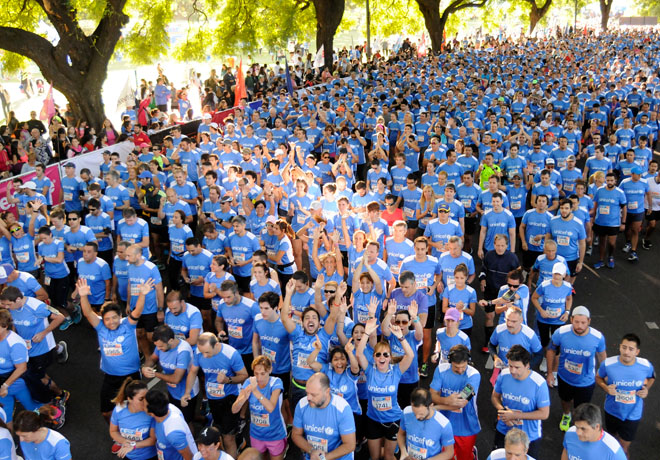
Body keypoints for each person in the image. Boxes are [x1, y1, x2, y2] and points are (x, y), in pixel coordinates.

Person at [76, 276, 152, 422]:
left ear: (121, 316)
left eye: (114, 317)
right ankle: (118, 433)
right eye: (107, 319)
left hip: (131, 376)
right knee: (106, 412)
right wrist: (83, 295)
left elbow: (138, 310)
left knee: (140, 407)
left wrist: (142, 294)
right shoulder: (100, 327)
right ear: (102, 319)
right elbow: (87, 313)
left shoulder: (128, 325)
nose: (111, 322)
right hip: (111, 377)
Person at [182, 332, 248, 459]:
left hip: (229, 398)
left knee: (228, 438)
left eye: (207, 352)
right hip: (213, 399)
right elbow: (193, 372)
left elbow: (244, 376)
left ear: (216, 344)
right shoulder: (199, 353)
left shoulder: (231, 354)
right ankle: (239, 440)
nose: (204, 356)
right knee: (220, 436)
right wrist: (187, 392)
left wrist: (228, 380)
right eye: (202, 352)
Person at [356, 317, 414, 460]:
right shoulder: (370, 370)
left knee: (389, 456)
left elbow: (410, 355)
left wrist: (400, 337)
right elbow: (359, 353)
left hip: (393, 420)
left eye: (385, 354)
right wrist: (366, 334)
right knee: (374, 457)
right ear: (374, 357)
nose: (382, 357)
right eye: (378, 354)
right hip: (373, 420)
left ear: (390, 357)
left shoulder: (396, 371)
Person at [547, 306, 607, 431]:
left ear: (589, 321)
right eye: (577, 322)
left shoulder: (597, 337)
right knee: (565, 399)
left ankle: (577, 422)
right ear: (571, 319)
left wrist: (605, 375)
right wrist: (550, 373)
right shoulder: (561, 333)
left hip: (586, 381)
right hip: (564, 377)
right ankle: (566, 415)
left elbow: (602, 356)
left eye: (583, 322)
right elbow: (551, 350)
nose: (579, 325)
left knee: (582, 406)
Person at [596, 333, 655, 455]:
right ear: (620, 347)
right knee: (611, 443)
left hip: (632, 414)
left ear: (637, 352)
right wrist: (606, 388)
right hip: (612, 411)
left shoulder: (645, 365)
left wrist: (646, 389)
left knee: (623, 449)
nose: (626, 352)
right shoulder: (608, 364)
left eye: (631, 349)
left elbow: (652, 377)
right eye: (624, 347)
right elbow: (598, 378)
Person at [491, 345, 550, 459]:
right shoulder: (504, 374)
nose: (512, 370)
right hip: (503, 430)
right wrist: (503, 412)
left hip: (529, 436)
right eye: (510, 366)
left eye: (517, 367)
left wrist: (515, 416)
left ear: (527, 365)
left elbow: (544, 413)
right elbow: (494, 397)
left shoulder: (539, 383)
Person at [430, 345, 481, 460]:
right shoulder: (441, 369)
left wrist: (438, 406)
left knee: (464, 457)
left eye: (463, 367)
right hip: (443, 423)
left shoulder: (474, 375)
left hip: (466, 425)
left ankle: (471, 453)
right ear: (450, 362)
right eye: (456, 367)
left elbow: (461, 402)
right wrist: (446, 400)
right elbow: (432, 394)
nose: (460, 370)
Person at [231, 355, 287, 460]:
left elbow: (270, 408)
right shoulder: (249, 382)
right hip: (256, 435)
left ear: (270, 370)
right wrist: (243, 398)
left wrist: (255, 391)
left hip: (275, 434)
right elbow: (234, 409)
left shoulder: (276, 382)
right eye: (256, 373)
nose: (259, 378)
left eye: (263, 374)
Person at [291, 372, 356, 460]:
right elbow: (296, 434)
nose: (308, 398)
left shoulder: (342, 408)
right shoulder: (302, 404)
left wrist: (324, 458)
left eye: (313, 394)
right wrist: (312, 451)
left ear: (327, 392)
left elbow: (350, 445)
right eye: (307, 393)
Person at [143, 325, 200, 424]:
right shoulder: (161, 344)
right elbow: (153, 358)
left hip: (187, 392)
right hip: (172, 390)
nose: (158, 348)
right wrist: (146, 367)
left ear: (171, 341)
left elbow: (176, 379)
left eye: (160, 346)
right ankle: (201, 419)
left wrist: (154, 374)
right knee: (176, 417)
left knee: (186, 422)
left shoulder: (183, 351)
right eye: (157, 346)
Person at [479, 234, 520, 352]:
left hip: (506, 292)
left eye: (502, 245)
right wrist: (482, 280)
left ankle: (507, 344)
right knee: (489, 316)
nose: (500, 248)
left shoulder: (513, 258)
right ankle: (488, 342)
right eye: (498, 245)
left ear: (507, 246)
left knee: (506, 318)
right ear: (494, 245)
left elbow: (517, 276)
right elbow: (483, 270)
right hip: (490, 289)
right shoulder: (489, 255)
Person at [397, 387, 455, 460]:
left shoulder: (443, 424)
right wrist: (403, 451)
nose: (417, 417)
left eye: (421, 414)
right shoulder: (406, 412)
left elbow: (449, 452)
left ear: (430, 406)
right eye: (414, 413)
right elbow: (400, 434)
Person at [109, 378, 158, 460]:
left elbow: (153, 440)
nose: (146, 402)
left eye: (147, 397)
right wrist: (124, 441)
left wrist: (133, 445)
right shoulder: (119, 410)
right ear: (129, 399)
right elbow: (113, 431)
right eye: (141, 399)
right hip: (128, 455)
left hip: (149, 456)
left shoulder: (151, 413)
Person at [146, 389, 198, 460]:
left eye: (143, 402)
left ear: (151, 413)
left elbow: (188, 456)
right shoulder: (168, 407)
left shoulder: (173, 433)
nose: (141, 403)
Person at [561, 403, 626, 460]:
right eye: (577, 427)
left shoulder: (613, 450)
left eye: (583, 429)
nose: (578, 432)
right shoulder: (570, 433)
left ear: (597, 427)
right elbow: (566, 452)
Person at [547, 198, 586, 286]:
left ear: (571, 209)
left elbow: (582, 243)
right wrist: (546, 251)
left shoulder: (578, 223)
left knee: (568, 282)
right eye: (562, 208)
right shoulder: (553, 221)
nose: (564, 211)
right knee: (554, 281)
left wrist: (580, 262)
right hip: (555, 257)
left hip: (571, 258)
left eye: (566, 208)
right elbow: (548, 236)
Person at [592, 172, 626, 269]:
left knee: (611, 243)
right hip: (600, 222)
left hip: (613, 223)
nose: (609, 182)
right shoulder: (599, 190)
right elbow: (595, 206)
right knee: (602, 242)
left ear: (615, 181)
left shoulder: (620, 192)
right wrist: (593, 219)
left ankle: (610, 257)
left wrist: (623, 222)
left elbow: (624, 208)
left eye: (612, 180)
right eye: (608, 180)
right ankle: (601, 260)